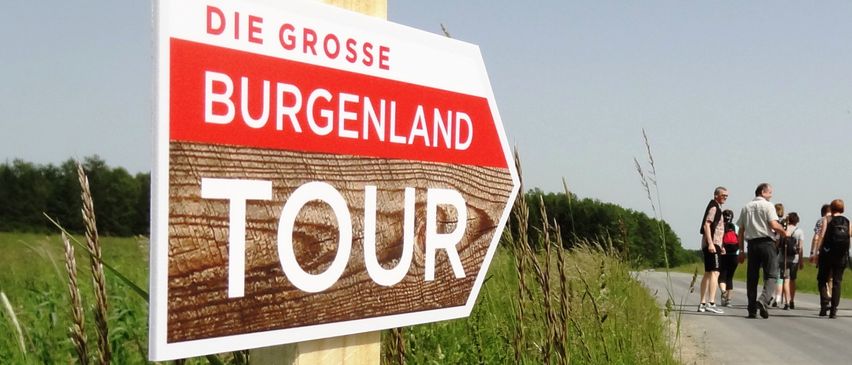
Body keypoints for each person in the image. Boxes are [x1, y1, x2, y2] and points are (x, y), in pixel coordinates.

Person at [737, 183, 787, 319]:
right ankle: (763, 299)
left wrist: (741, 250)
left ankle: (751, 309)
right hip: (766, 243)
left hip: (752, 245)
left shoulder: (746, 207)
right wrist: (783, 232)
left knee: (752, 277)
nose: (771, 195)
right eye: (770, 192)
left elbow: (740, 231)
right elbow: (773, 224)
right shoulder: (768, 205)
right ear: (763, 192)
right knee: (771, 274)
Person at [813, 199, 851, 318]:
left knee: (822, 279)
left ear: (831, 208)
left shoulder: (826, 219)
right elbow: (849, 236)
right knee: (837, 282)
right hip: (841, 256)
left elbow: (822, 236)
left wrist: (817, 252)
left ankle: (824, 304)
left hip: (827, 255)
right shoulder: (847, 221)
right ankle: (834, 310)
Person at [698, 186, 728, 314]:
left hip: (714, 244)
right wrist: (711, 243)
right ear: (716, 195)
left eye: (726, 196)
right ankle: (711, 302)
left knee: (708, 272)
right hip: (712, 244)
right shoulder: (714, 207)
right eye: (723, 195)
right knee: (715, 272)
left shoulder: (715, 207)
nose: (725, 198)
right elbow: (707, 224)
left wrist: (721, 246)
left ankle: (702, 303)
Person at [780, 212, 804, 310]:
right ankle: (792, 300)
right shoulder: (799, 231)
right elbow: (801, 247)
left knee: (786, 279)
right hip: (795, 259)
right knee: (793, 280)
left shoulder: (783, 230)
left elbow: (777, 244)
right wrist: (801, 261)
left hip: (783, 258)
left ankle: (786, 302)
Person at [718, 209, 739, 306]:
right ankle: (728, 300)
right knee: (730, 277)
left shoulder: (720, 226)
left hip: (723, 254)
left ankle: (723, 291)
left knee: (722, 276)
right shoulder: (736, 227)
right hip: (735, 255)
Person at [770, 203, 787, 307]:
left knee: (770, 273)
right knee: (780, 276)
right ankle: (778, 297)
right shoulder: (785, 221)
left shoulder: (774, 220)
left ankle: (770, 294)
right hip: (783, 249)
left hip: (774, 247)